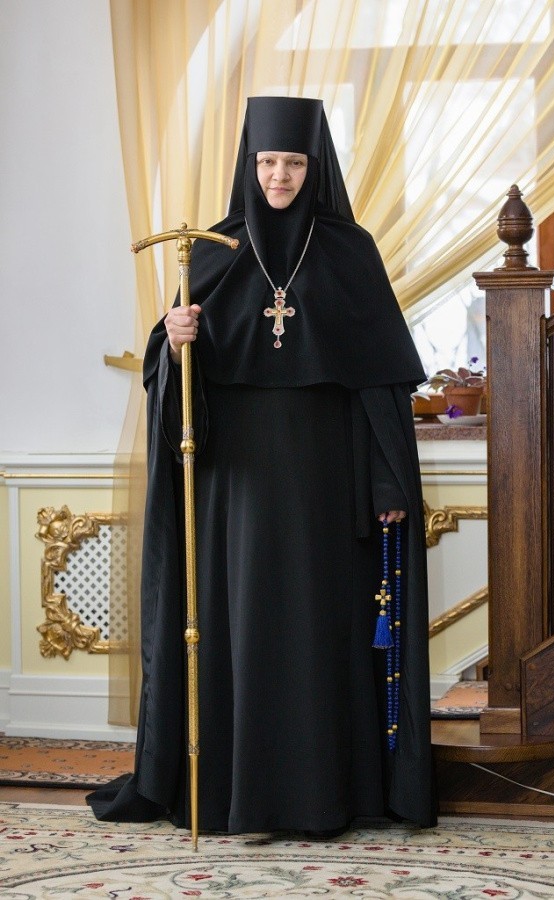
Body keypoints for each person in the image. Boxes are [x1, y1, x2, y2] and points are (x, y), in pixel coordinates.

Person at [88, 96, 436, 835]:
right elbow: (173, 384)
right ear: (250, 165)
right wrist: (174, 341)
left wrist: (385, 482)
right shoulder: (213, 252)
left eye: (293, 162)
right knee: (240, 629)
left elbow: (380, 385)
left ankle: (328, 795)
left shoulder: (350, 251)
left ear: (315, 167)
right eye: (268, 161)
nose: (279, 175)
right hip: (233, 490)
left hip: (325, 485)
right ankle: (231, 794)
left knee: (320, 633)